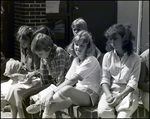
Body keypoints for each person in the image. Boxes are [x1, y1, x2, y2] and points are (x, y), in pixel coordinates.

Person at [26, 30, 102, 118]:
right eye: (76, 44)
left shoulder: (91, 60)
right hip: (79, 92)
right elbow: (67, 79)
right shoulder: (76, 60)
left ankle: (42, 103)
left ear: (88, 47)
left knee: (66, 89)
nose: (78, 47)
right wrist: (51, 92)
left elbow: (73, 79)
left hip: (91, 95)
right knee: (50, 107)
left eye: (82, 45)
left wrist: (52, 93)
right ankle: (45, 104)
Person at [5, 25, 54, 118]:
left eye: (24, 42)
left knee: (17, 91)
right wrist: (18, 72)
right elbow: (26, 67)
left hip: (39, 79)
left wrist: (28, 74)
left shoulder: (36, 51)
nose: (22, 45)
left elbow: (40, 70)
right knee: (11, 89)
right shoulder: (25, 50)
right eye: (20, 43)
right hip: (30, 78)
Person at [21, 32, 71, 118]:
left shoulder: (59, 52)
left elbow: (60, 78)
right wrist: (40, 92)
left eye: (40, 54)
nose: (40, 57)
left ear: (48, 49)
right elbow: (43, 77)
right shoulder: (44, 55)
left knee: (35, 101)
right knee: (25, 97)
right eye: (37, 55)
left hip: (62, 85)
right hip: (51, 84)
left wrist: (44, 94)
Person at [97, 23, 141, 118]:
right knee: (102, 112)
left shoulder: (135, 58)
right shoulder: (107, 57)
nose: (113, 42)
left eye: (115, 38)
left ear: (124, 39)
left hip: (128, 93)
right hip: (111, 91)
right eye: (111, 39)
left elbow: (133, 82)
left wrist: (120, 95)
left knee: (123, 117)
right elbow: (105, 79)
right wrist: (108, 95)